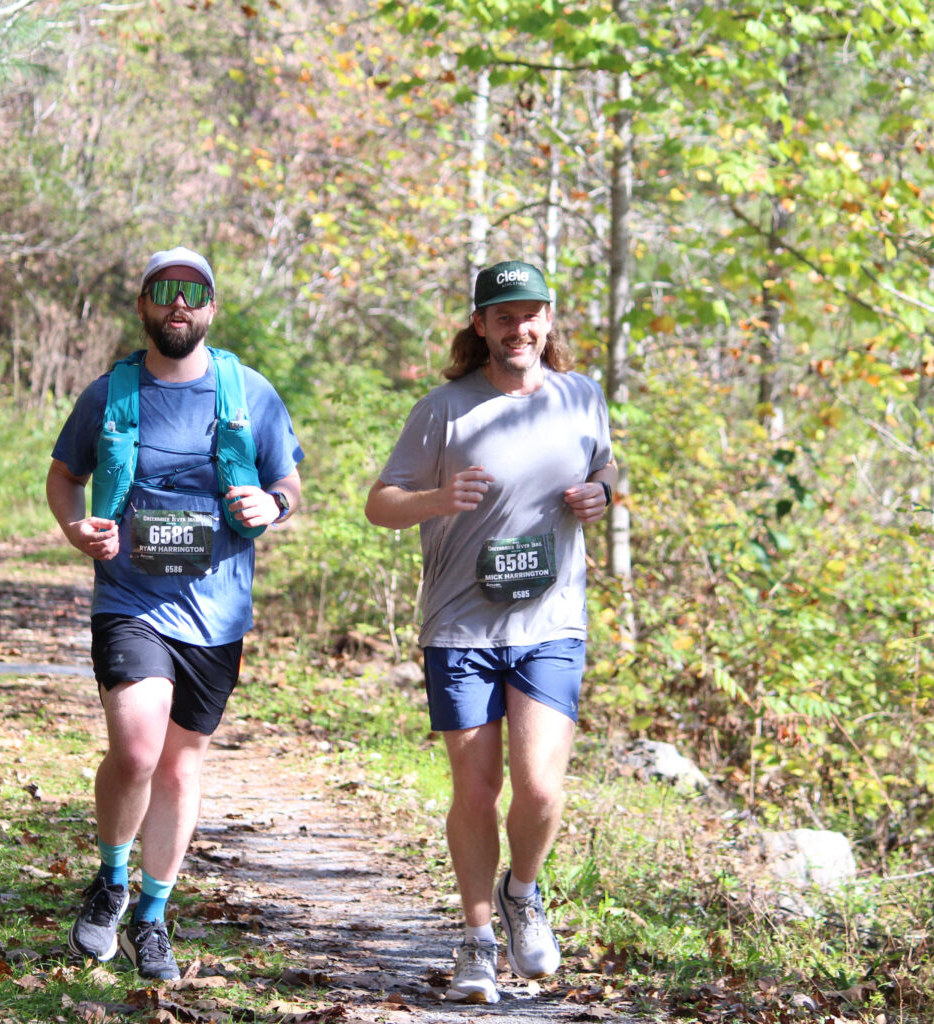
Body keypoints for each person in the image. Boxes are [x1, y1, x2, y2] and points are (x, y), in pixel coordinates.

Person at [364, 260, 616, 1004]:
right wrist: (440, 498)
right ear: (480, 325)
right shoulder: (445, 410)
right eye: (503, 316)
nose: (520, 328)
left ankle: (523, 892)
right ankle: (477, 941)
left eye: (531, 313)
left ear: (549, 319)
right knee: (477, 790)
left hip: (550, 624)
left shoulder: (581, 397)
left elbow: (605, 471)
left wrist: (600, 494)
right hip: (460, 627)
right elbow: (380, 504)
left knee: (539, 788)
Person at [47, 246, 303, 980]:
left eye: (193, 293)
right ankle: (111, 880)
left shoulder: (249, 392)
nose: (179, 305)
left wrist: (272, 504)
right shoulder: (110, 394)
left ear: (212, 308)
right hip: (131, 599)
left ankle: (152, 918)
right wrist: (75, 527)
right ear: (145, 307)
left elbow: (287, 480)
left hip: (217, 612)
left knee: (181, 767)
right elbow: (65, 479)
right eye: (165, 293)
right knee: (135, 750)